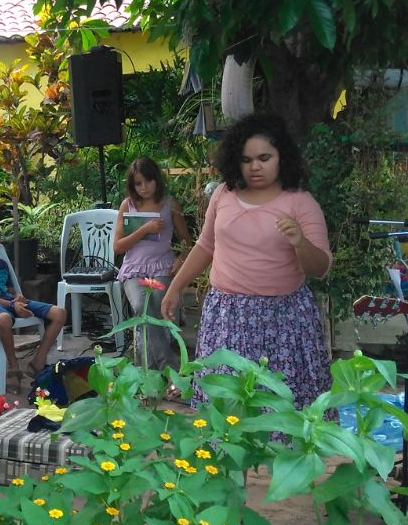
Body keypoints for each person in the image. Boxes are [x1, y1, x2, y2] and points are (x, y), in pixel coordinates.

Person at [160, 113, 332, 408]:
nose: (255, 167)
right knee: (226, 405)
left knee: (280, 406)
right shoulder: (223, 194)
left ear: (282, 157)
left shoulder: (300, 203)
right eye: (246, 159)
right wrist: (175, 287)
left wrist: (300, 241)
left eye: (264, 158)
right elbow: (205, 245)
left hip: (283, 320)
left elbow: (320, 268)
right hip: (226, 315)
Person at [0, 215, 66, 386]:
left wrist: (17, 297)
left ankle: (37, 362)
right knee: (4, 318)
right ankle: (13, 366)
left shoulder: (1, 264)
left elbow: (10, 290)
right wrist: (11, 304)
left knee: (59, 313)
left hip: (10, 302)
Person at [113, 157, 192, 369]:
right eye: (138, 183)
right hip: (133, 269)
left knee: (157, 301)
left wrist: (181, 258)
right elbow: (117, 247)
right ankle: (169, 366)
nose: (144, 187)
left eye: (148, 181)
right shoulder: (127, 205)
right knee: (142, 305)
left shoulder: (170, 204)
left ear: (156, 179)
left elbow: (187, 242)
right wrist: (145, 229)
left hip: (162, 266)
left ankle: (147, 369)